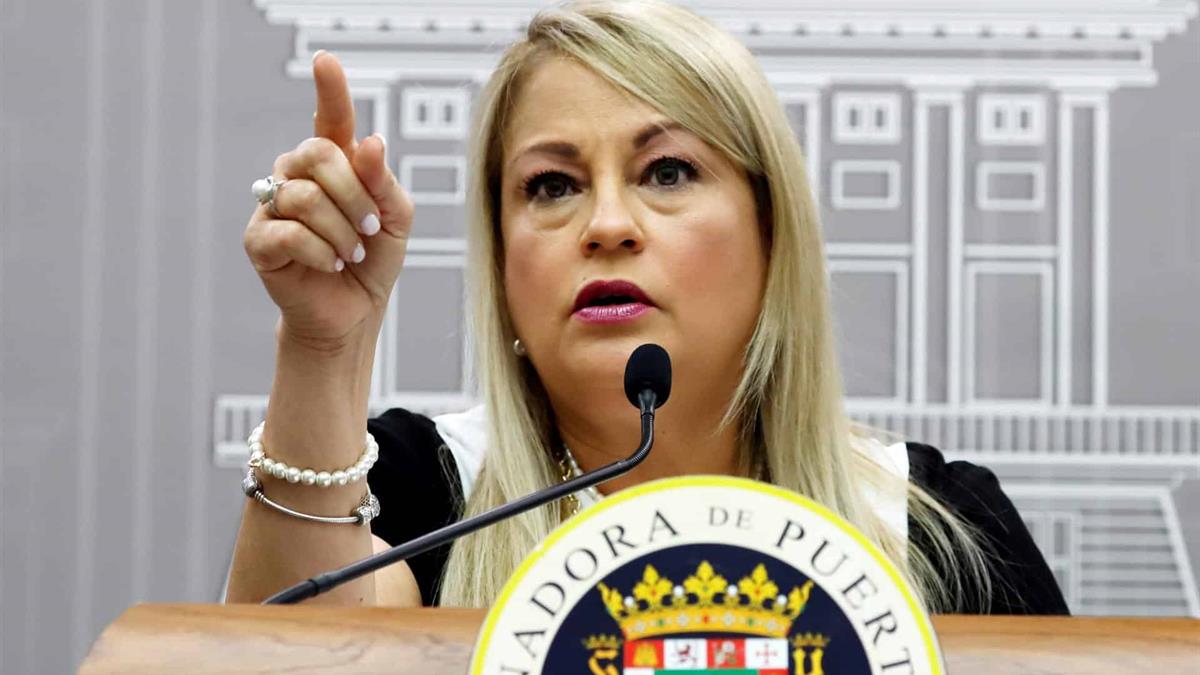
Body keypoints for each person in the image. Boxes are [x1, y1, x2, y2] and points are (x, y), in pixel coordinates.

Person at [227, 0, 1067, 615]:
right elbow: (291, 657)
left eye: (667, 172)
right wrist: (323, 345)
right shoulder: (418, 493)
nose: (606, 224)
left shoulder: (938, 530)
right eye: (551, 185)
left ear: (772, 235)